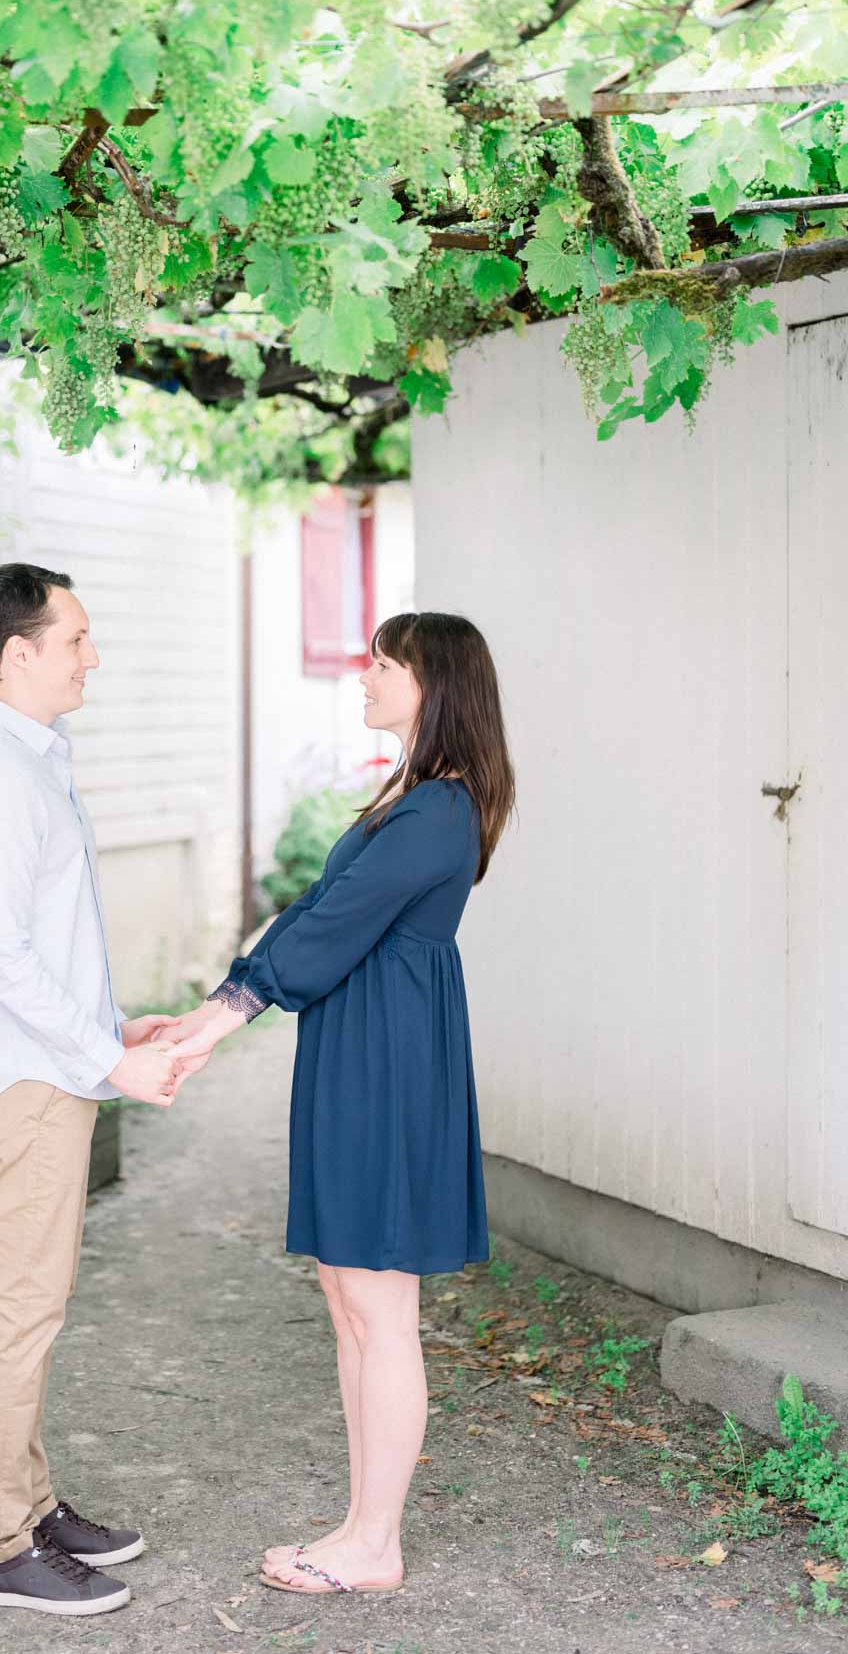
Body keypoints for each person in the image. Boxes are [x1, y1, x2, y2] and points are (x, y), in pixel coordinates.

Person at [153, 611, 515, 1598]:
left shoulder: (440, 808)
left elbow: (336, 925)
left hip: (389, 1063)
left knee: (377, 1305)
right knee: (346, 1295)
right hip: (363, 1047)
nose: (364, 675)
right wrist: (211, 1001)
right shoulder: (410, 794)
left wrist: (219, 1023)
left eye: (384, 664)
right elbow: (312, 916)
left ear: (432, 683)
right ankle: (361, 1523)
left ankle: (375, 1544)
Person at [0, 562, 182, 1617]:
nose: (91, 656)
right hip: (25, 1076)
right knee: (20, 1309)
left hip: (48, 1059)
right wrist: (106, 1057)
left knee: (36, 1301)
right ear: (17, 651)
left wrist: (108, 1029)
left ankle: (29, 1506)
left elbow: (36, 940)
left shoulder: (24, 756)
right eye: (74, 638)